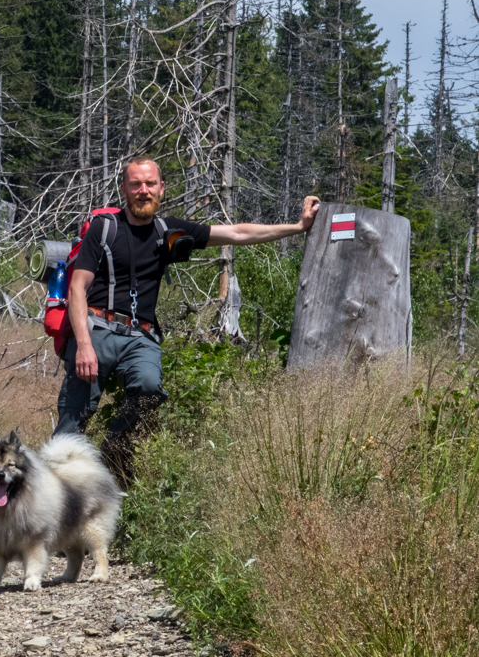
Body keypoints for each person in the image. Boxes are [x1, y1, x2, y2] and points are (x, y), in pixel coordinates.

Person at [54, 155, 320, 485]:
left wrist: (297, 227)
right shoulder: (104, 228)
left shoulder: (168, 231)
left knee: (150, 389)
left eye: (150, 184)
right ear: (124, 188)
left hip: (140, 337)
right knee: (71, 423)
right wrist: (82, 346)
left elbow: (236, 233)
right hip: (97, 331)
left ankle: (114, 458)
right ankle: (49, 503)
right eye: (135, 184)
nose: (143, 191)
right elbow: (78, 288)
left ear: (162, 189)